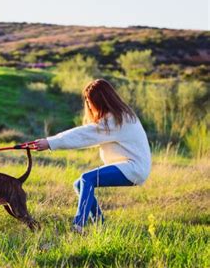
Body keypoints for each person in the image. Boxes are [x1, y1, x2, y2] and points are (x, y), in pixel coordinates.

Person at [34, 79, 151, 232]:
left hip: (134, 167)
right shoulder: (119, 116)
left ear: (100, 101)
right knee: (79, 184)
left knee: (87, 178)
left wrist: (50, 142)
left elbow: (83, 135)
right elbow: (87, 134)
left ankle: (78, 225)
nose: (88, 106)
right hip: (131, 166)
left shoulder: (116, 120)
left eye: (90, 102)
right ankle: (100, 224)